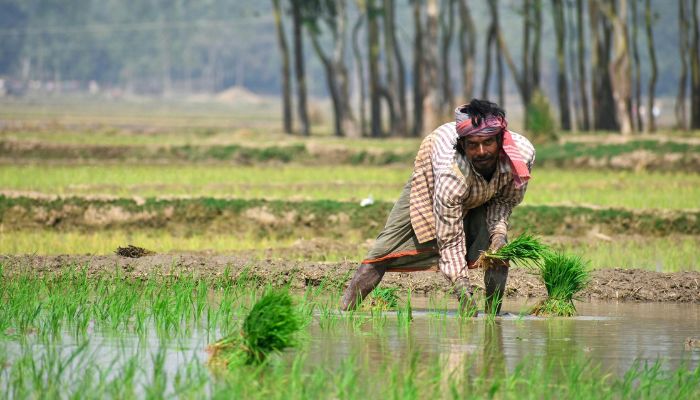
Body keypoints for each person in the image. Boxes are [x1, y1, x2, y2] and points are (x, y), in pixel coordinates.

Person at [340, 99, 535, 315]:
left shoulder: (521, 156)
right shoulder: (451, 173)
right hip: (432, 182)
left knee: (499, 253)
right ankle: (343, 313)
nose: (481, 151)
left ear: (500, 139)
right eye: (473, 145)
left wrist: (498, 234)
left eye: (488, 142)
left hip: (484, 192)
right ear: (462, 145)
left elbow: (504, 200)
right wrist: (462, 289)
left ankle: (493, 317)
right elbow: (450, 240)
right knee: (382, 252)